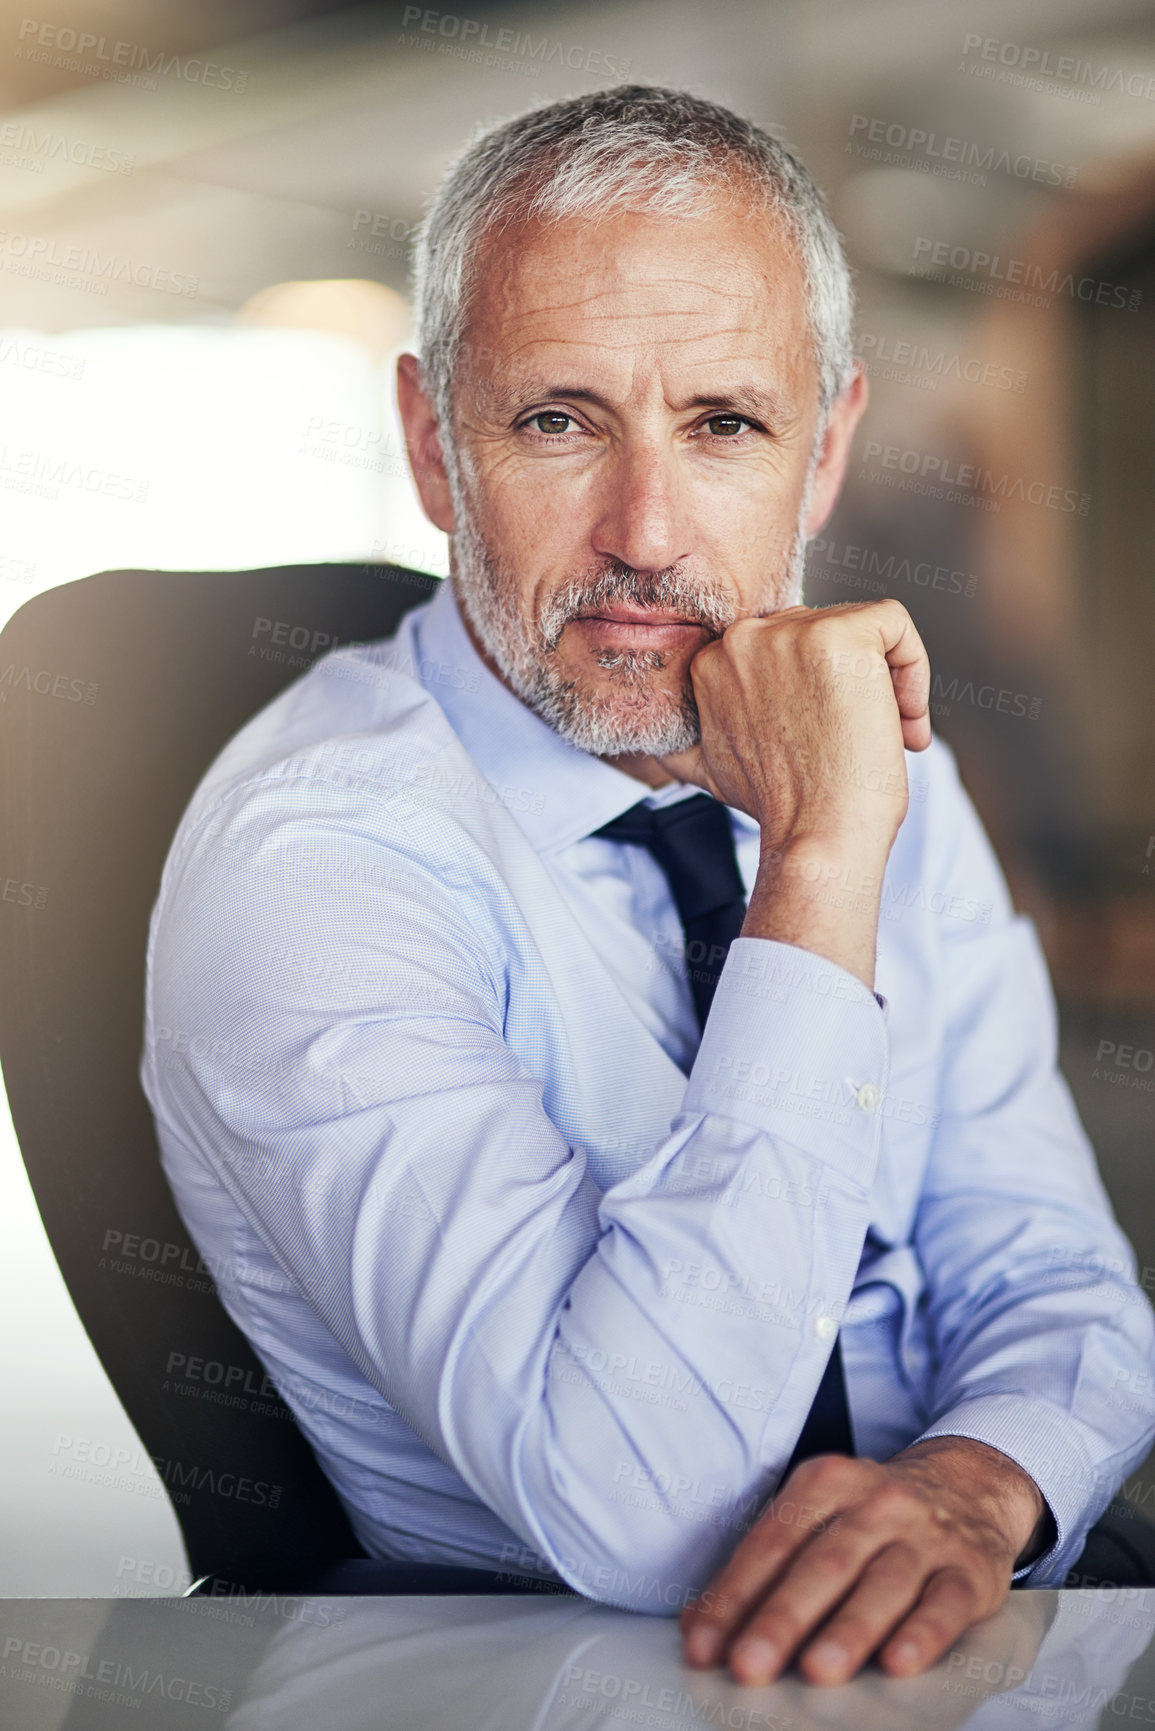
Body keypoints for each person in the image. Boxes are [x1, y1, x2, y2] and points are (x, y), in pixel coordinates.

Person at [141, 86, 1155, 1687]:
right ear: (429, 443)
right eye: (558, 419)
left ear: (824, 455)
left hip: (991, 1615)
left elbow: (1057, 1275)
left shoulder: (902, 775)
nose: (647, 531)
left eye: (725, 424)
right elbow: (640, 1507)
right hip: (570, 1678)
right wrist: (819, 866)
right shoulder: (314, 863)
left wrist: (977, 1486)